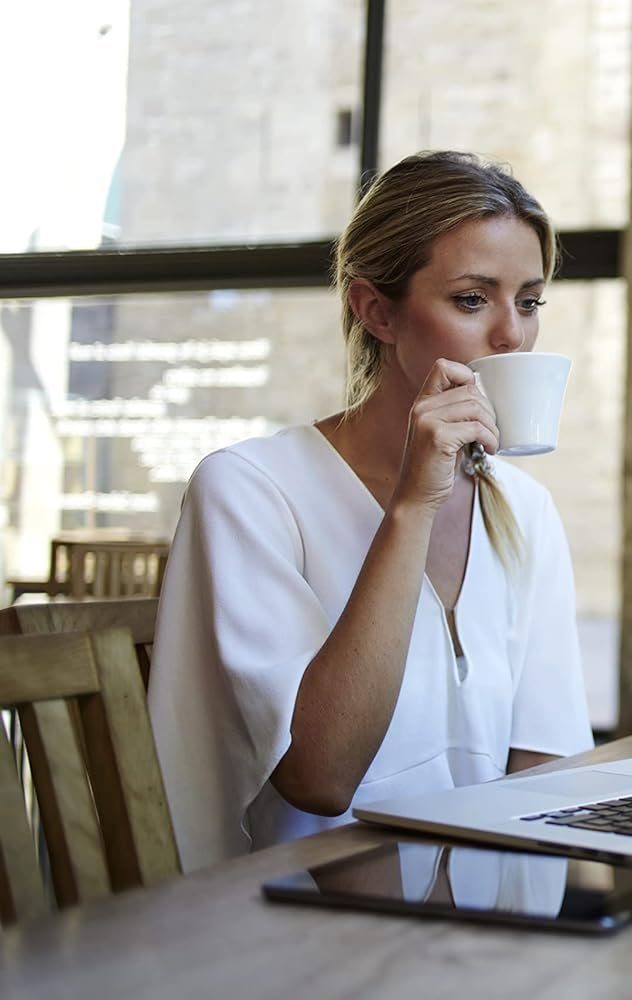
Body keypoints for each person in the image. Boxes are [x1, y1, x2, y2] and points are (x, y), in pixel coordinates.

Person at [148, 151, 593, 871]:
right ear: (376, 310)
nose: (513, 334)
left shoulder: (526, 510)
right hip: (293, 934)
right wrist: (415, 504)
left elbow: (545, 770)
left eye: (531, 301)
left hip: (474, 944)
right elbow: (320, 779)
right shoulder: (247, 490)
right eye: (473, 300)